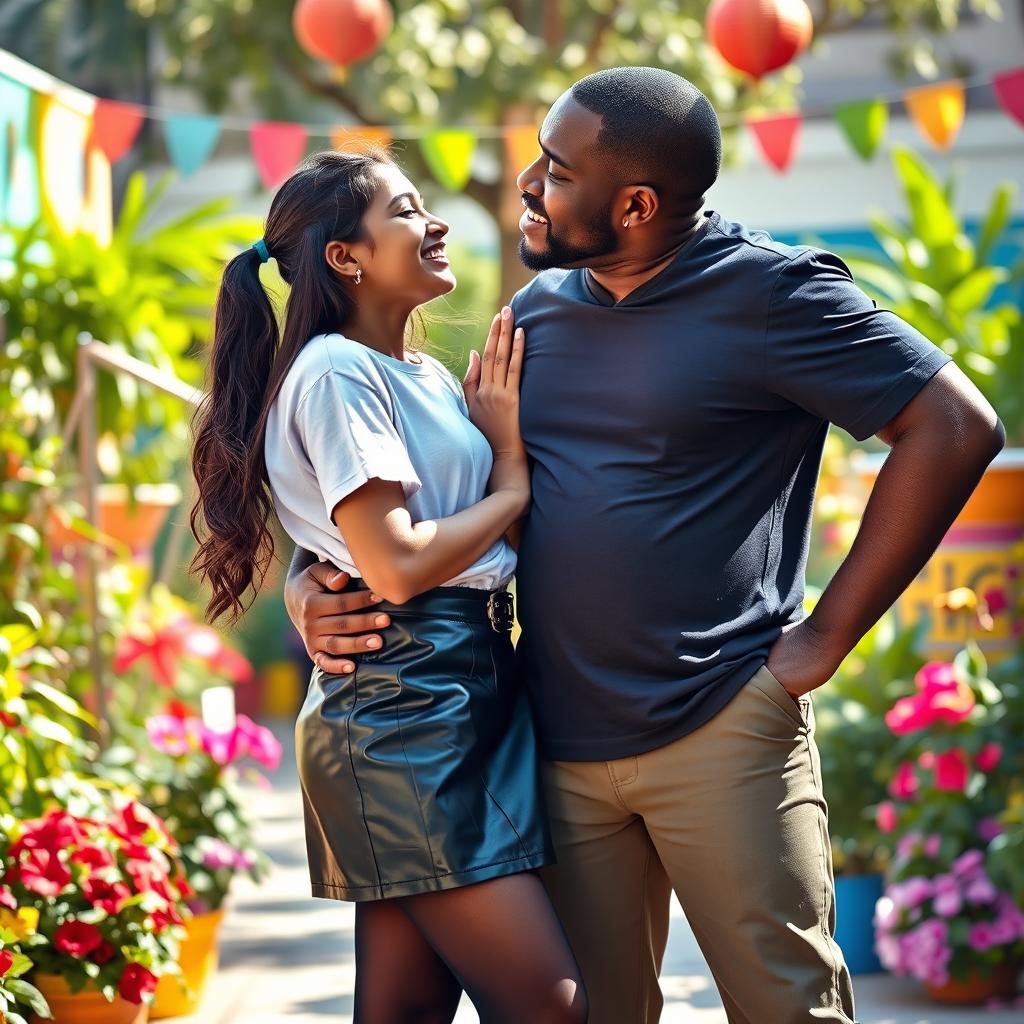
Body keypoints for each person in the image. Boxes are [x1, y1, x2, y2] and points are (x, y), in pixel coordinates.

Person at [284, 69, 1005, 1024]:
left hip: (723, 726)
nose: (529, 183)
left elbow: (956, 426)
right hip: (553, 746)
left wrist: (823, 642)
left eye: (557, 169)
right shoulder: (532, 317)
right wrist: (307, 586)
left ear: (634, 203)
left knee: (789, 1010)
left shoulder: (774, 295)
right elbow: (402, 494)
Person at [189, 149, 587, 1024]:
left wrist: (503, 458)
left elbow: (399, 540)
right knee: (549, 1005)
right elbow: (397, 561)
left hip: (467, 683)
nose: (435, 222)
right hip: (404, 704)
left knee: (405, 1010)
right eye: (407, 211)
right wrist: (511, 476)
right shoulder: (337, 371)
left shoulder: (428, 377)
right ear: (346, 256)